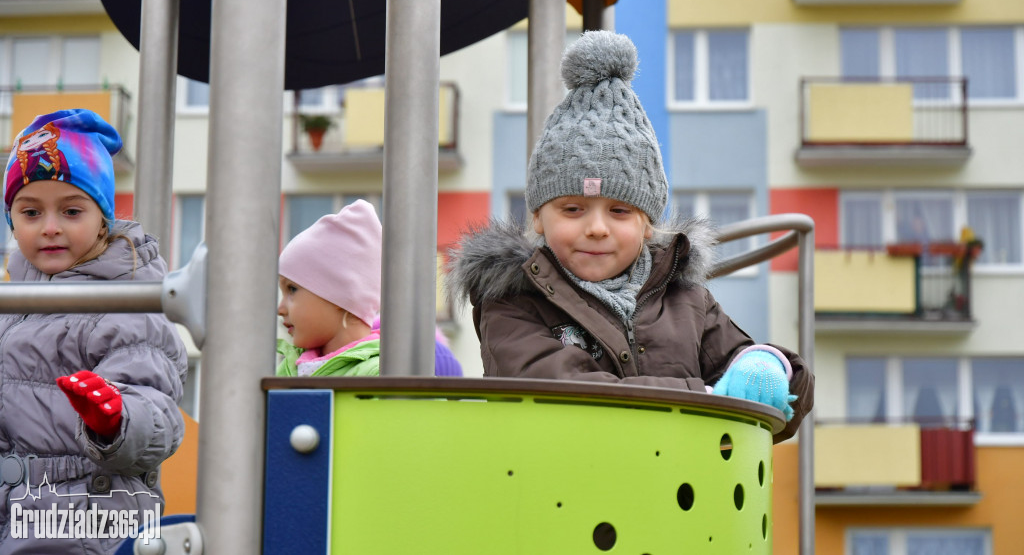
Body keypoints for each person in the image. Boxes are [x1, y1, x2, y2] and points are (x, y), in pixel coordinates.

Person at [448, 31, 813, 442]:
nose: (597, 227)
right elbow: (563, 391)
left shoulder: (687, 301)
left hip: (681, 497)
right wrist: (709, 398)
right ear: (537, 217)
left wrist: (766, 365)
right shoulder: (513, 301)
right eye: (573, 209)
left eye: (619, 211)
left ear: (647, 224)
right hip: (560, 496)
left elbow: (772, 383)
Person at [0, 109, 187, 553]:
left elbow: (156, 404)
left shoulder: (125, 298)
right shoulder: (14, 301)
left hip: (86, 514)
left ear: (102, 216)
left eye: (71, 210)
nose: (50, 227)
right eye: (30, 211)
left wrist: (115, 419)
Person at [276, 200, 463, 377]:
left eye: (292, 289)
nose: (280, 309)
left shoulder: (382, 375)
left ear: (344, 295)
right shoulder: (290, 368)